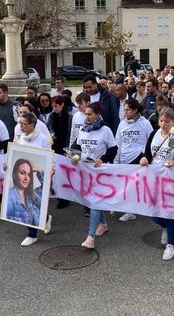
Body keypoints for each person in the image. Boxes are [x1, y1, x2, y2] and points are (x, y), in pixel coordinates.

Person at [140, 108, 174, 261]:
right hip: (155, 179)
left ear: (173, 122)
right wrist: (144, 158)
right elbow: (148, 153)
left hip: (172, 180)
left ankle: (171, 244)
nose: (163, 124)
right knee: (153, 212)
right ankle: (164, 227)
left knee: (171, 212)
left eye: (167, 122)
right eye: (161, 121)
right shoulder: (154, 134)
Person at [71, 102, 118, 250]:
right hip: (86, 172)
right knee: (92, 202)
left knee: (95, 203)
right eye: (86, 114)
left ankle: (90, 237)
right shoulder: (83, 129)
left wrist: (102, 159)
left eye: (90, 114)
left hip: (100, 173)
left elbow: (114, 149)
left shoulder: (105, 130)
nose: (87, 117)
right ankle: (102, 224)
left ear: (98, 115)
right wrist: (75, 156)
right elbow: (77, 147)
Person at [11, 112, 53, 246]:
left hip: (39, 177)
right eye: (20, 123)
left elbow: (50, 157)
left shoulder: (43, 139)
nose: (21, 127)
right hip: (26, 178)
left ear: (33, 125)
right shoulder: (21, 138)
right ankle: (32, 233)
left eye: (24, 124)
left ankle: (34, 230)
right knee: (29, 203)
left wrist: (50, 170)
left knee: (36, 203)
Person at [114, 99, 153, 222]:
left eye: (128, 110)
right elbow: (118, 143)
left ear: (135, 110)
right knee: (125, 185)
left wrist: (145, 155)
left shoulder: (145, 123)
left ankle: (131, 211)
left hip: (138, 157)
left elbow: (151, 140)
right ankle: (128, 208)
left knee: (133, 186)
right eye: (124, 110)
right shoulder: (122, 124)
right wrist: (116, 160)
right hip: (124, 158)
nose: (125, 112)